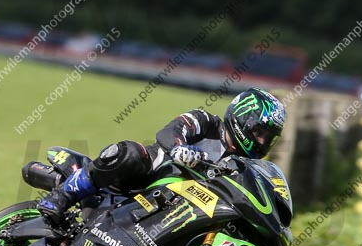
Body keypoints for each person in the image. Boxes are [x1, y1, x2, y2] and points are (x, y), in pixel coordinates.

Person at [36, 87, 285, 224]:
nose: (262, 141)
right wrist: (178, 148)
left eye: (269, 137)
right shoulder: (206, 122)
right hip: (145, 180)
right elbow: (171, 130)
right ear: (242, 117)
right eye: (258, 131)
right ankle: (62, 195)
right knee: (130, 153)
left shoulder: (243, 166)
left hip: (175, 208)